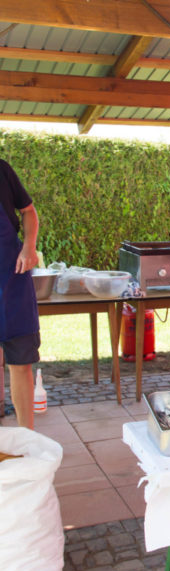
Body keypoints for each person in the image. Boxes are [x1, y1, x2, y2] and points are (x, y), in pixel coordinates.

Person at [0, 159, 40, 430]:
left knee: (21, 360)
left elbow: (28, 211)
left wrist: (29, 246)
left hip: (10, 272)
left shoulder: (1, 170)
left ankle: (28, 438)